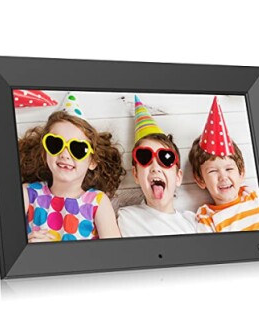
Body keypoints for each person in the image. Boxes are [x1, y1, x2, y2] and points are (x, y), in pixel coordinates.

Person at [19, 92, 126, 242]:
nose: (65, 154)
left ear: (92, 161)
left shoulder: (98, 202)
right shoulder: (27, 194)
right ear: (44, 152)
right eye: (55, 144)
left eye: (77, 148)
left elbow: (114, 255)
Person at [117, 96, 197, 237]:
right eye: (145, 158)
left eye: (165, 159)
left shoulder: (192, 223)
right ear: (135, 175)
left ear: (178, 177)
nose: (155, 168)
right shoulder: (126, 217)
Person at [188, 96, 259, 233]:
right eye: (212, 171)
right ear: (200, 179)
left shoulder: (254, 196)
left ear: (241, 173)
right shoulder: (207, 216)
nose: (223, 177)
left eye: (229, 168)